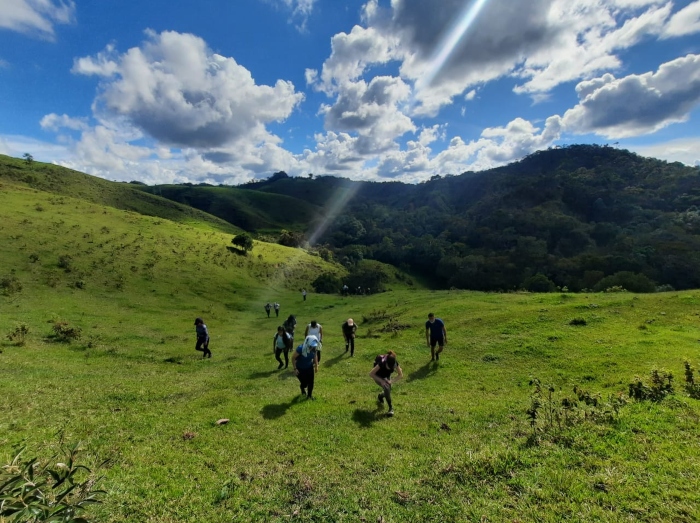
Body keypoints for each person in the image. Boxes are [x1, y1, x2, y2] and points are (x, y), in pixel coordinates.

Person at [370, 350, 403, 417]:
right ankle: (391, 408)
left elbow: (400, 375)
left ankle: (381, 396)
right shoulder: (381, 363)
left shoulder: (395, 363)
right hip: (378, 376)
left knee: (387, 389)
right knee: (387, 388)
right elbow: (371, 374)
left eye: (392, 367)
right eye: (389, 367)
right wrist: (381, 381)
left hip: (386, 376)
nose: (391, 368)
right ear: (386, 363)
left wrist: (391, 381)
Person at [292, 335, 319, 400]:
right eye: (311, 345)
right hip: (300, 369)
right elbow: (293, 358)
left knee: (311, 382)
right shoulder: (300, 349)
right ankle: (302, 388)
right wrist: (295, 369)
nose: (312, 347)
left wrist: (316, 366)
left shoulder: (314, 349)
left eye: (314, 345)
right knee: (304, 384)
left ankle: (309, 396)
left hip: (309, 367)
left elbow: (315, 356)